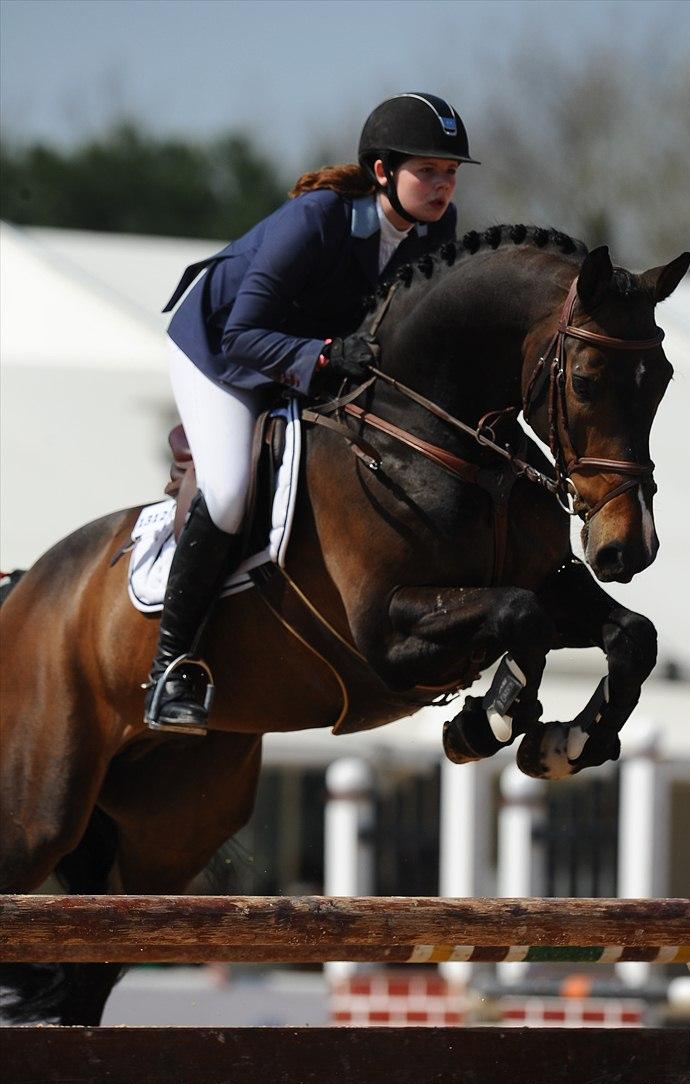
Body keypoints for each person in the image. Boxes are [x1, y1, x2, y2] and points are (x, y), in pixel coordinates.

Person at [144, 92, 480, 731]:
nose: (442, 185)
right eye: (428, 170)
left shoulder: (438, 227)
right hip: (219, 349)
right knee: (232, 490)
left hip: (312, 349)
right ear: (382, 171)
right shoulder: (319, 219)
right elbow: (244, 334)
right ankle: (171, 666)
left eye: (451, 172)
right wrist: (326, 356)